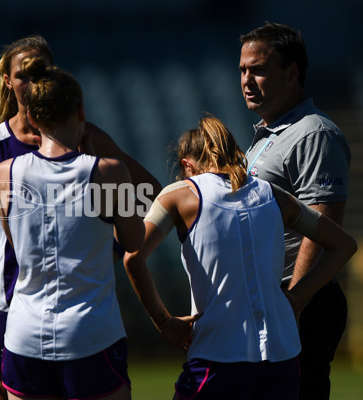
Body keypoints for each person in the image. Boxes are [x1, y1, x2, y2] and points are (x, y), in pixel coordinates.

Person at [0, 35, 161, 400]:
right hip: (10, 300)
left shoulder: (15, 168)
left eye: (39, 72)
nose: (29, 83)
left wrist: (96, 229)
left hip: (43, 310)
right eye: (22, 75)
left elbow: (151, 189)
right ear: (7, 82)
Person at [123, 115, 357, 399]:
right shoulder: (274, 195)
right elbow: (344, 245)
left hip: (219, 356)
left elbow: (133, 257)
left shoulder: (179, 194)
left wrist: (163, 321)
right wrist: (296, 298)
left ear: (187, 165)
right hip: (282, 357)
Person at [239, 22, 352, 399]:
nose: (247, 80)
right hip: (275, 300)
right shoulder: (269, 133)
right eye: (242, 70)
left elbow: (323, 224)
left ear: (292, 73)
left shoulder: (313, 133)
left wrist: (295, 299)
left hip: (302, 301)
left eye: (258, 69)